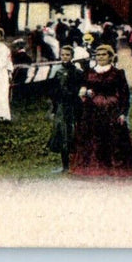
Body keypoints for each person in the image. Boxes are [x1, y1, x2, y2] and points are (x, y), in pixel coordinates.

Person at [71, 45, 132, 177]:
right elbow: (83, 87)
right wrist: (85, 91)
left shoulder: (118, 73)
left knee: (113, 138)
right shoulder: (89, 72)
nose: (100, 57)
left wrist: (123, 113)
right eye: (98, 55)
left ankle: (114, 167)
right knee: (92, 138)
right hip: (92, 109)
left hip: (111, 109)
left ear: (110, 56)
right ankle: (94, 168)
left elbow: (125, 94)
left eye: (103, 54)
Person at [47, 45, 83, 173]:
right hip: (61, 107)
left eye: (67, 55)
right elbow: (53, 91)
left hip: (73, 106)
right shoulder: (57, 71)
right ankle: (65, 166)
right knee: (62, 134)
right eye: (63, 55)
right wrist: (54, 107)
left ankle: (76, 164)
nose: (65, 57)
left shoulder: (77, 72)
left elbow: (78, 90)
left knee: (73, 133)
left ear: (72, 56)